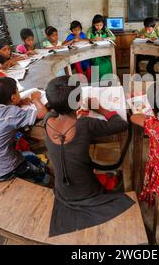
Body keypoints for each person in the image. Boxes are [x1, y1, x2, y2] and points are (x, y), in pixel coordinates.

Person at [43, 76, 134, 236]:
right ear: (78, 102)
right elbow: (121, 124)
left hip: (63, 192)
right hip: (88, 192)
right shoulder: (84, 124)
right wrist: (100, 109)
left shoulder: (47, 121)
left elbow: (48, 113)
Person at [0, 77, 50, 185]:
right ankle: (46, 181)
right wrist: (36, 99)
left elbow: (4, 113)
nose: (19, 93)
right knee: (39, 172)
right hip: (6, 168)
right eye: (17, 90)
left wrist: (17, 102)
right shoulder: (11, 113)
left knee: (30, 155)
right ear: (12, 97)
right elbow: (42, 113)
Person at [86, 14, 115, 81]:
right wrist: (93, 39)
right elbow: (87, 40)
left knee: (107, 62)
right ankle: (96, 80)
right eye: (97, 25)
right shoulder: (90, 30)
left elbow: (113, 37)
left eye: (100, 25)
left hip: (104, 53)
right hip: (94, 53)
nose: (99, 27)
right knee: (97, 62)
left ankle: (107, 79)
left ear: (103, 24)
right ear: (93, 24)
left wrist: (105, 38)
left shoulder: (106, 29)